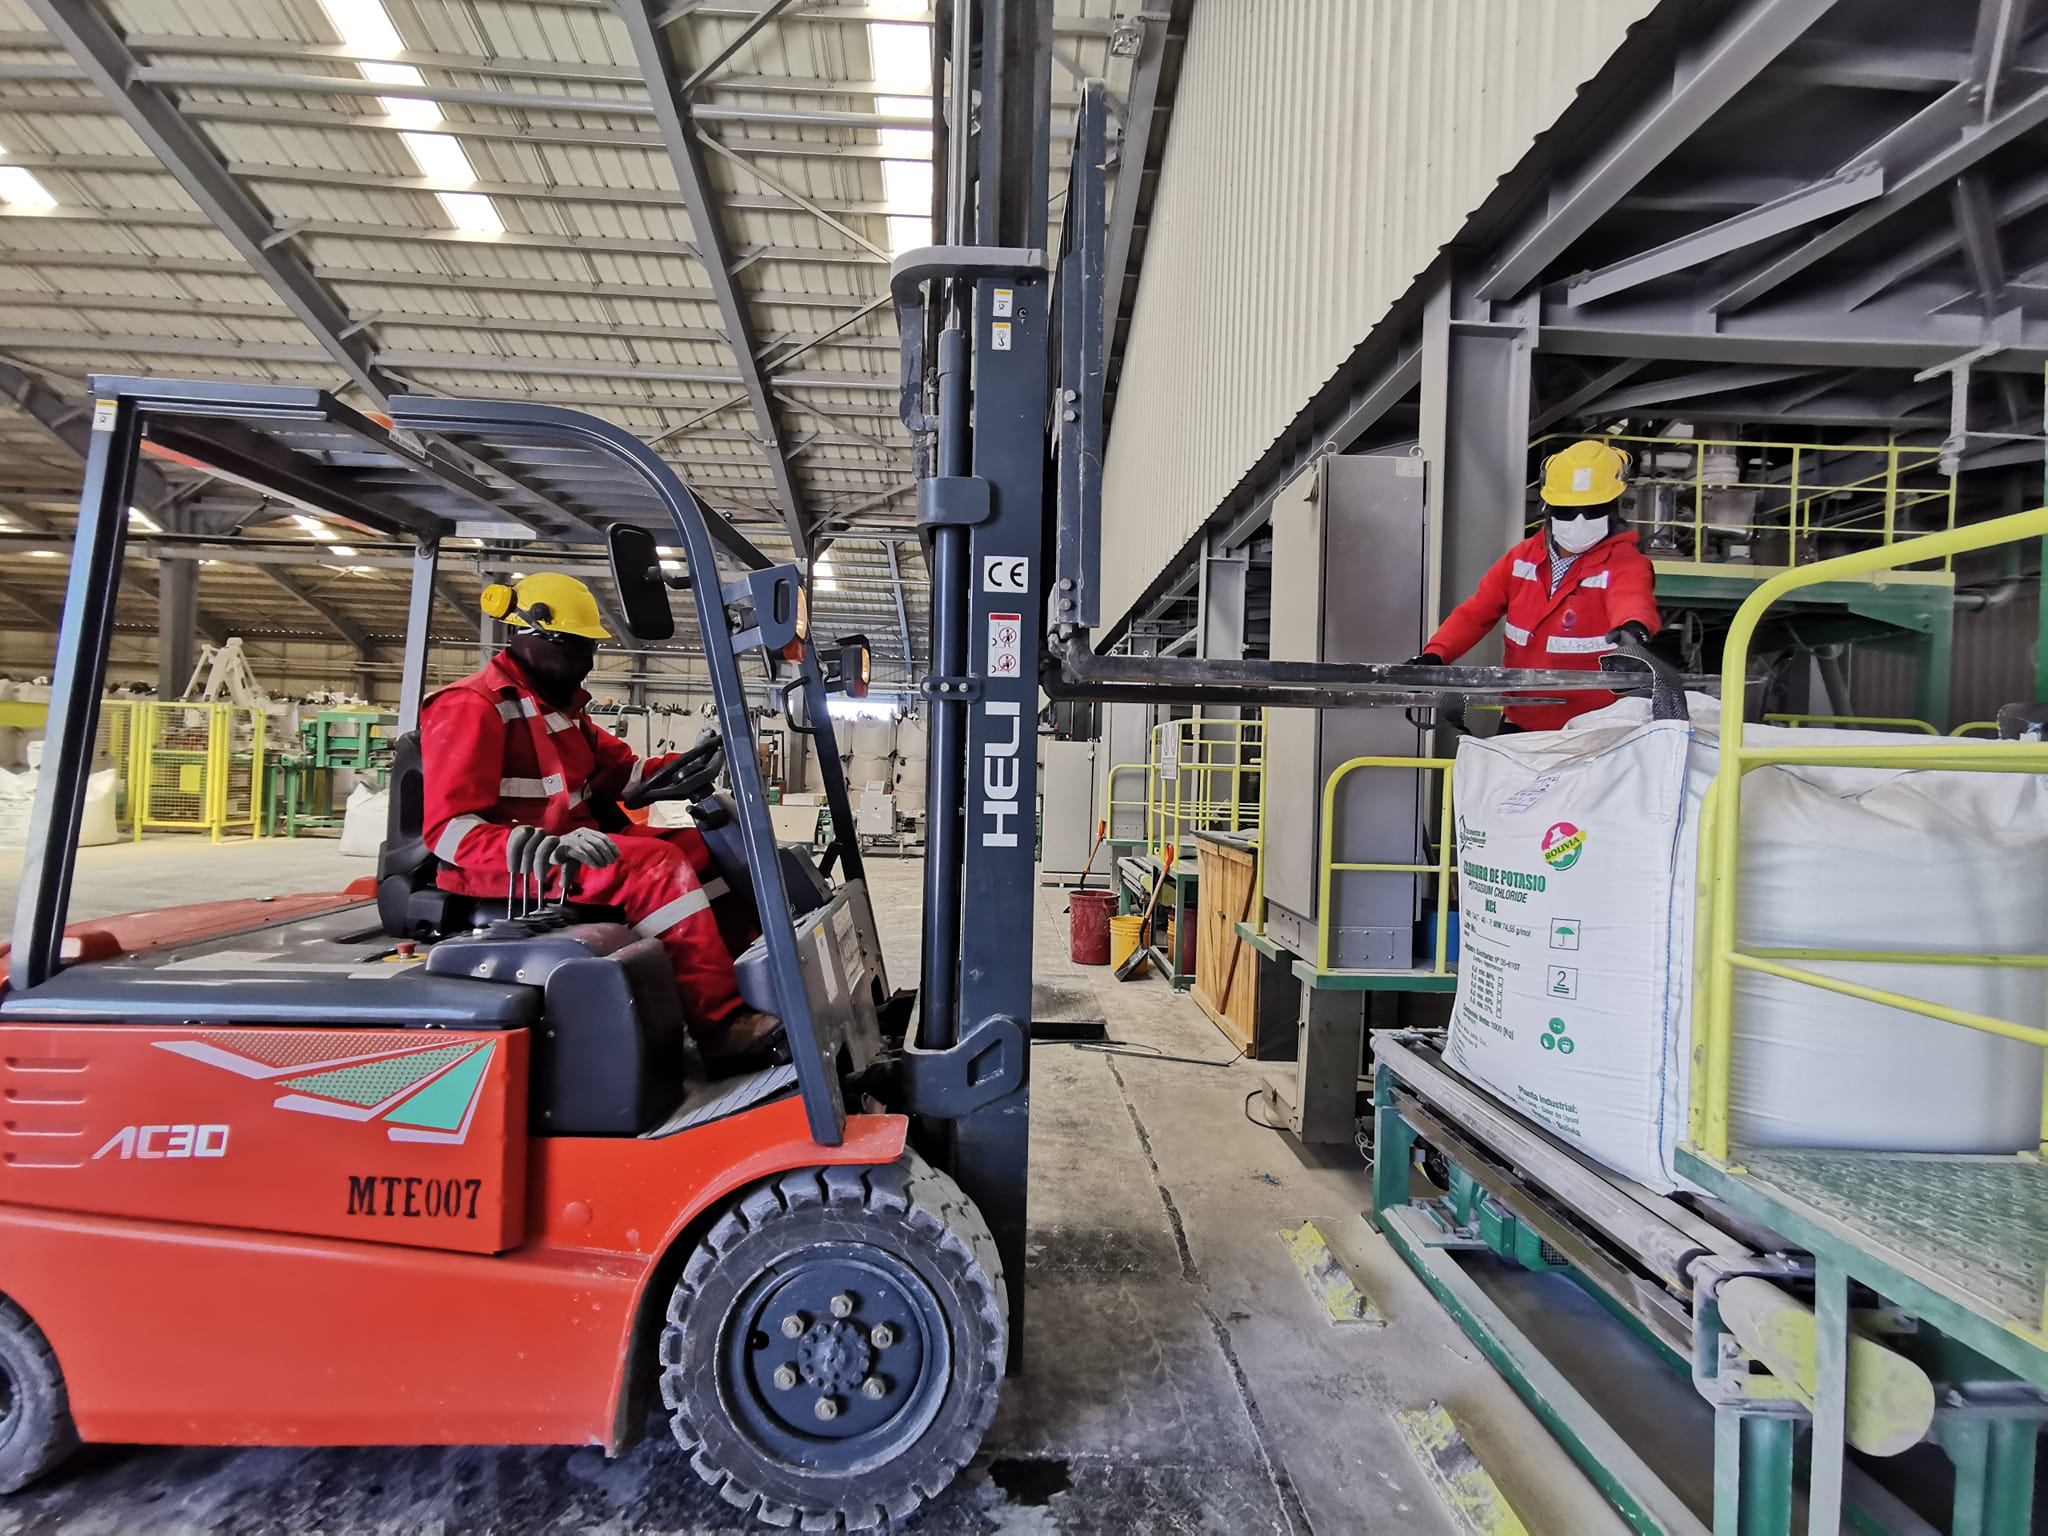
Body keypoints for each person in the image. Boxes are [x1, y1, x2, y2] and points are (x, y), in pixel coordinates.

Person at [419, 573, 781, 1066]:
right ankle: (719, 1025)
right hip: (513, 862)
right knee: (656, 865)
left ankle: (743, 978)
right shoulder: (472, 706)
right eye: (574, 646)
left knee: (703, 849)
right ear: (527, 634)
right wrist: (547, 845)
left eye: (589, 647)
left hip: (573, 846)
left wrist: (692, 761)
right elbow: (447, 829)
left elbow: (626, 775)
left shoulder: (563, 711)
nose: (586, 661)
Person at [1410, 439, 1661, 733]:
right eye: (1567, 511)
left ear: (1614, 509)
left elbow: (1632, 598)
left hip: (1593, 729)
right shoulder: (1521, 560)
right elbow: (1475, 613)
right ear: (1548, 508)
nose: (1579, 520)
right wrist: (1436, 654)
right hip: (1521, 721)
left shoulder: (1624, 563)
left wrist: (1634, 627)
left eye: (1592, 511)